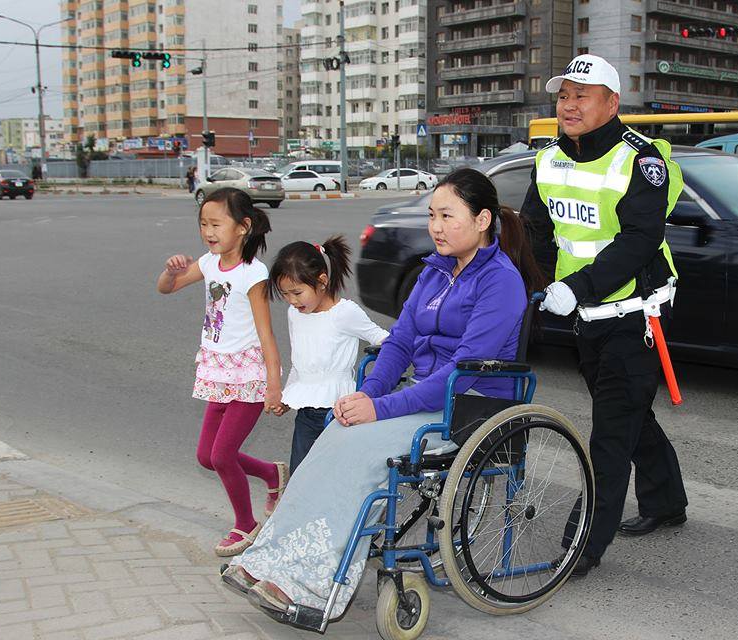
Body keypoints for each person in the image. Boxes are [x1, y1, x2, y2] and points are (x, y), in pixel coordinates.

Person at [222, 168, 544, 617]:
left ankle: (313, 585)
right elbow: (398, 344)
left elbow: (460, 373)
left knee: (360, 450)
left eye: (448, 216)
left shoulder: (500, 281)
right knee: (336, 431)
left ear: (483, 219)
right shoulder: (433, 273)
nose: (435, 226)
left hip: (471, 408)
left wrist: (382, 407)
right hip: (427, 397)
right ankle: (273, 561)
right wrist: (368, 396)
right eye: (432, 215)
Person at [522, 54, 689, 578]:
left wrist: (577, 287)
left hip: (636, 315)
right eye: (563, 95)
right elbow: (536, 233)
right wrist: (533, 286)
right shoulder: (548, 158)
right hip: (585, 314)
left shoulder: (643, 160)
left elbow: (641, 240)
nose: (569, 105)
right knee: (629, 412)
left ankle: (582, 547)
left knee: (610, 434)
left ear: (612, 102)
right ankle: (666, 501)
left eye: (582, 95)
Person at [157, 187, 288, 557]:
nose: (209, 232)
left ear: (243, 227)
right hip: (217, 372)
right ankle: (270, 474)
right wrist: (170, 272)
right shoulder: (210, 262)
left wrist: (274, 386)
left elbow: (266, 334)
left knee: (221, 455)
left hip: (247, 376)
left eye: (217, 224)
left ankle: (245, 525)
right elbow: (166, 288)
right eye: (203, 224)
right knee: (207, 456)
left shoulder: (254, 273)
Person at [267, 236, 389, 474]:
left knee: (335, 477)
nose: (292, 301)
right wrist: (288, 395)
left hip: (339, 413)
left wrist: (381, 380)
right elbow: (299, 363)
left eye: (297, 292)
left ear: (322, 281)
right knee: (300, 477)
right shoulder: (295, 314)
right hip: (306, 415)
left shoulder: (344, 313)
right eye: (285, 294)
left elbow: (384, 340)